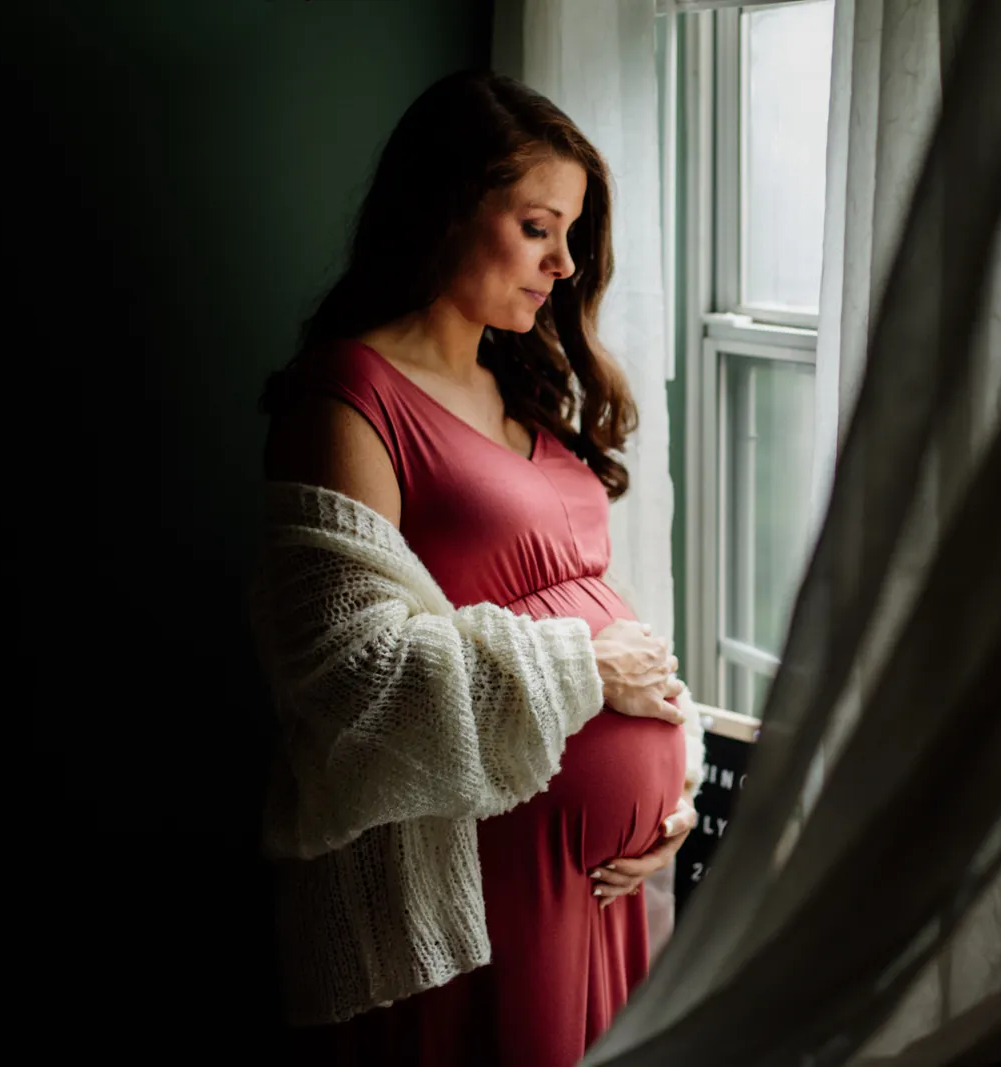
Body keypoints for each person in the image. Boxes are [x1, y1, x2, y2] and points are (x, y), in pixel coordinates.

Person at [249, 68, 704, 1067]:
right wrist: (589, 672)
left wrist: (675, 767)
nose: (565, 264)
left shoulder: (519, 384)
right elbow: (344, 680)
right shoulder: (347, 399)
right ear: (448, 205)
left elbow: (601, 617)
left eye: (574, 234)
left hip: (604, 885)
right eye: (539, 227)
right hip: (487, 889)